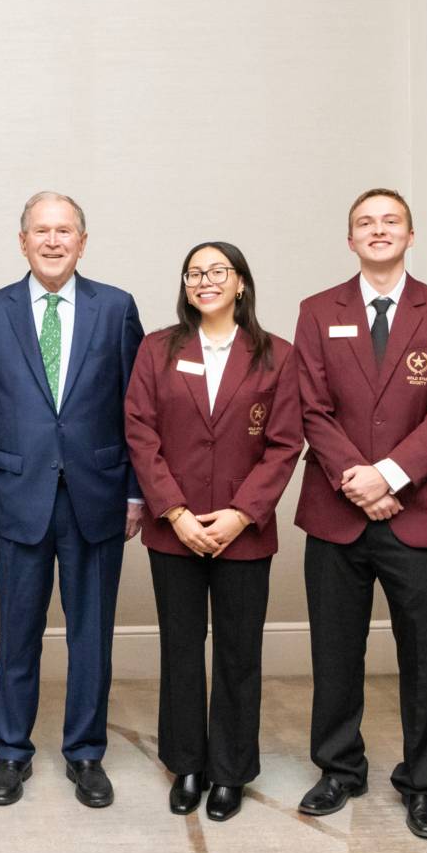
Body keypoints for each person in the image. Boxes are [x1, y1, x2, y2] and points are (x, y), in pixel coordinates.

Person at [293, 188, 427, 839]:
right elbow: (312, 409)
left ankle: (423, 782)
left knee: (423, 656)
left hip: (416, 510)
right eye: (365, 223)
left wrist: (390, 475)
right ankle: (339, 768)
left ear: (411, 234)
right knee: (334, 650)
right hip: (336, 513)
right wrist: (358, 481)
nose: (378, 230)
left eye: (389, 221)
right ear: (350, 240)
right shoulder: (318, 312)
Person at [0, 192, 146, 810]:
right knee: (18, 632)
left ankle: (86, 752)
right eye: (40, 231)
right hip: (17, 495)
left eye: (64, 231)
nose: (52, 241)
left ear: (82, 241)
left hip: (98, 495)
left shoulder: (116, 308)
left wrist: (136, 491)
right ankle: (11, 753)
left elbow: (137, 408)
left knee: (90, 634)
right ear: (22, 242)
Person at [123, 242, 301, 822]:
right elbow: (140, 433)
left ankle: (229, 771)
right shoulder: (157, 349)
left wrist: (240, 513)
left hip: (243, 532)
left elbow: (284, 444)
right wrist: (173, 511)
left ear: (241, 283)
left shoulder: (276, 354)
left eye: (217, 271)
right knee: (180, 650)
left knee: (237, 653)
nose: (205, 281)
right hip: (173, 531)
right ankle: (188, 765)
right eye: (195, 272)